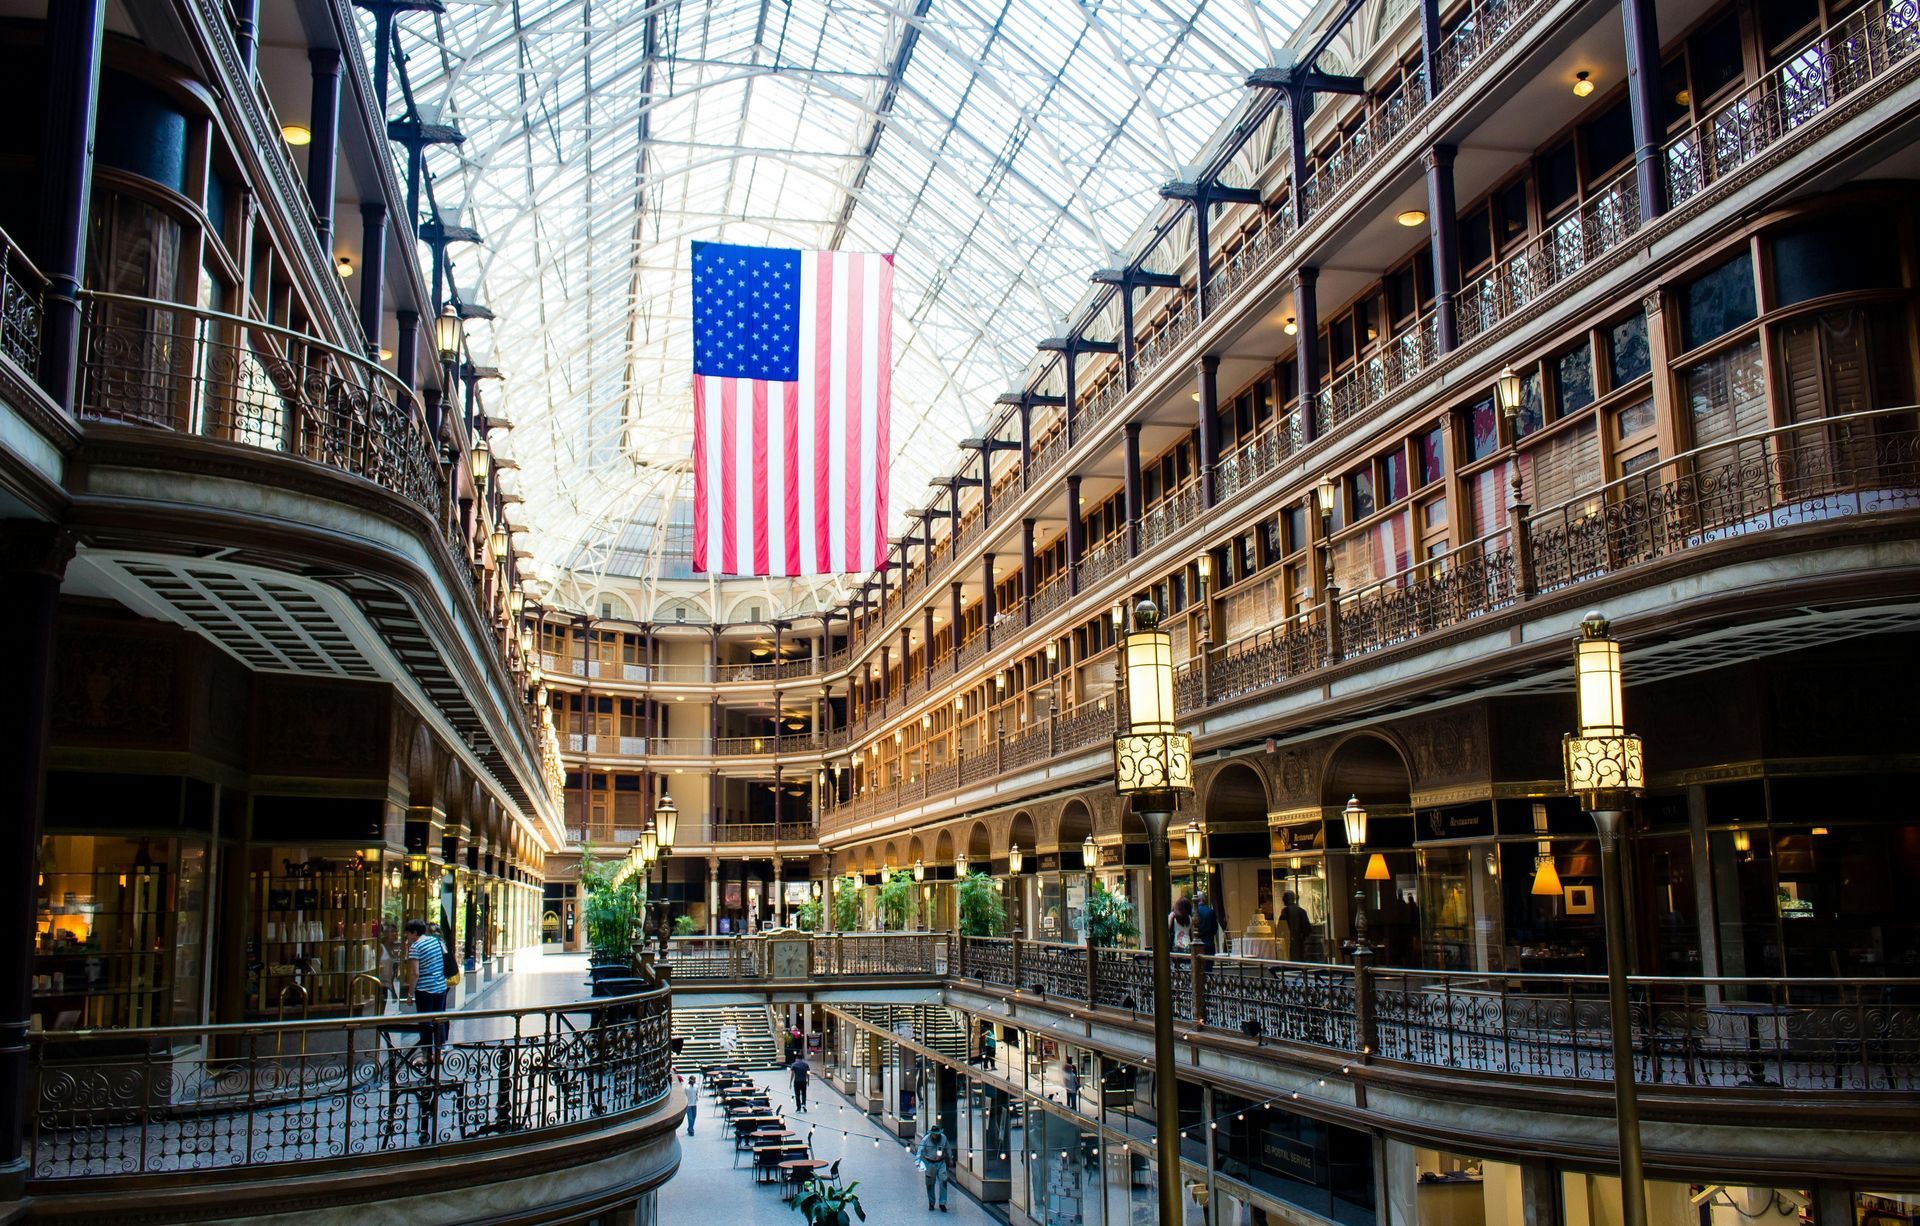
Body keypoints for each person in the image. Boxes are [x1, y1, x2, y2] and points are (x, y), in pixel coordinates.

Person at [401, 918, 450, 1047]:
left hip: (425, 990)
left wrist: (410, 994)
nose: (406, 935)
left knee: (425, 1021)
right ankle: (441, 1048)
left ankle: (426, 1053)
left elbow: (415, 973)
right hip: (440, 986)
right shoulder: (435, 941)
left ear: (415, 933)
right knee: (438, 1019)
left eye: (408, 933)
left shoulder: (415, 947)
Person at [914, 1121, 953, 1212]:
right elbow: (919, 1151)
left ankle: (942, 1203)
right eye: (934, 1134)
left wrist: (950, 1158)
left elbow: (948, 1148)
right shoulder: (925, 1140)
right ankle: (931, 1202)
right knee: (930, 1184)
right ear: (931, 1133)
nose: (936, 1136)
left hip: (941, 1162)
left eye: (938, 1134)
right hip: (930, 1163)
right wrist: (918, 1161)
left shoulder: (943, 1138)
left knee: (943, 1181)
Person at [1279, 891, 1310, 960]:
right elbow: (1307, 929)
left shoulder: (1285, 911)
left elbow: (1280, 928)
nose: (1283, 900)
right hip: (1298, 940)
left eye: (1284, 898)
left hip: (1294, 940)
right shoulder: (1301, 911)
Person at [1192, 891, 1221, 956]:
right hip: (1208, 942)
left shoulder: (1192, 912)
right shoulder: (1210, 912)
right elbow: (1215, 928)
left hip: (1195, 943)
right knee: (1208, 964)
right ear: (1203, 899)